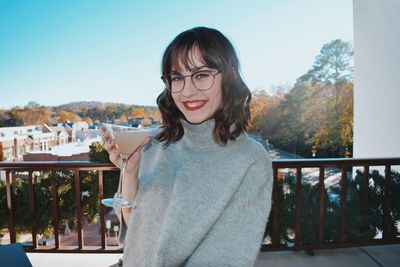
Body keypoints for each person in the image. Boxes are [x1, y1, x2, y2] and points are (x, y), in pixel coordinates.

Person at [102, 26, 273, 267]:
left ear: (229, 76)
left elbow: (222, 260)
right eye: (177, 78)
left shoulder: (250, 161)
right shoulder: (156, 143)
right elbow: (137, 228)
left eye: (201, 75)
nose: (187, 91)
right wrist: (130, 172)